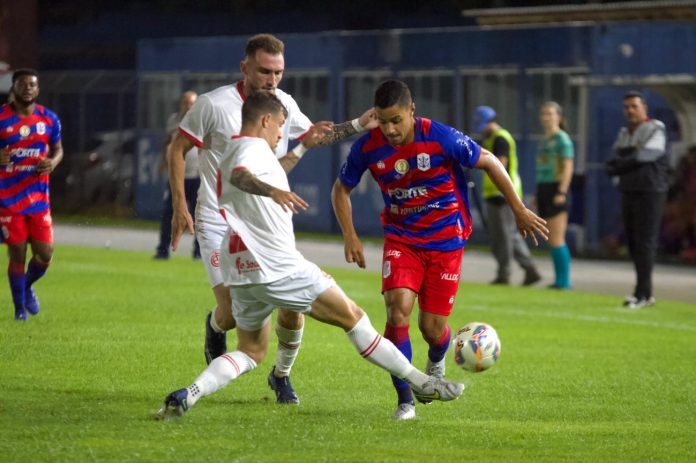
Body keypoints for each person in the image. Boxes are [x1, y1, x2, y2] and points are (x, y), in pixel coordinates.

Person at [155, 91, 464, 420]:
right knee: (355, 319)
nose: (280, 135)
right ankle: (422, 383)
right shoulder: (249, 150)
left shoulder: (236, 149)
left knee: (250, 352)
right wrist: (272, 191)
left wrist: (303, 147)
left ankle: (190, 393)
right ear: (265, 121)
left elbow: (267, 169)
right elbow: (242, 177)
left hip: (241, 267)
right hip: (278, 266)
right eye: (280, 127)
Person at [167, 33, 377, 404]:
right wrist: (180, 206)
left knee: (293, 311)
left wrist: (358, 124)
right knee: (231, 314)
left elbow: (315, 137)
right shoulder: (213, 105)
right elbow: (178, 148)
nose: (272, 80)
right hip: (221, 222)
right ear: (245, 67)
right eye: (265, 71)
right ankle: (216, 324)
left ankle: (281, 376)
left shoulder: (285, 105)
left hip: (268, 223)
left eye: (278, 72)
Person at [331, 80, 548, 420]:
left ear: (412, 112)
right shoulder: (367, 147)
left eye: (396, 120)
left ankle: (436, 361)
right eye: (383, 121)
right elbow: (340, 189)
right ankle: (405, 401)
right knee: (396, 311)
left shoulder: (440, 136)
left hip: (447, 241)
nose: (389, 129)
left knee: (432, 329)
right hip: (402, 239)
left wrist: (518, 209)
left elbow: (489, 161)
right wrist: (350, 234)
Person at [0, 69, 63, 320]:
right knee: (17, 252)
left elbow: (58, 149)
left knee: (45, 254)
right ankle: (18, 311)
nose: (28, 88)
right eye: (23, 84)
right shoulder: (2, 118)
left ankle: (25, 287)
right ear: (13, 87)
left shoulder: (49, 119)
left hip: (38, 198)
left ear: (38, 90)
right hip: (7, 199)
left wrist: (53, 162)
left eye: (32, 85)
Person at [606, 91, 668, 309]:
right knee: (633, 243)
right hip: (629, 190)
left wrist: (625, 160)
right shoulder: (625, 132)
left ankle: (643, 294)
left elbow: (648, 155)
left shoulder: (656, 127)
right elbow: (613, 160)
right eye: (627, 107)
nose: (630, 111)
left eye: (634, 106)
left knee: (645, 242)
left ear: (644, 108)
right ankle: (643, 292)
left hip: (650, 191)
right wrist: (631, 157)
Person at [472, 106, 541, 286]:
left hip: (502, 195)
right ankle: (528, 269)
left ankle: (506, 272)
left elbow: (499, 165)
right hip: (496, 194)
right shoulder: (493, 138)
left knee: (504, 235)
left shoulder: (500, 139)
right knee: (507, 235)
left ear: (490, 122)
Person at [153, 91, 200, 260]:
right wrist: (162, 163)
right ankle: (163, 250)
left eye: (191, 103)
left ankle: (199, 252)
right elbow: (168, 143)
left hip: (196, 175)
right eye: (186, 103)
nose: (188, 106)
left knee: (199, 215)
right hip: (177, 176)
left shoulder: (201, 121)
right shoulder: (173, 121)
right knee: (168, 213)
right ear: (181, 103)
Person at [535, 101, 574, 290]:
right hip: (544, 188)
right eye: (543, 113)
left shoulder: (562, 139)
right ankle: (559, 280)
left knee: (558, 237)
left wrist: (562, 191)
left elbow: (568, 166)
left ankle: (564, 282)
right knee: (552, 238)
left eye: (550, 113)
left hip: (556, 188)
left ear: (559, 117)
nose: (546, 117)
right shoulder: (544, 140)